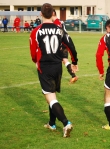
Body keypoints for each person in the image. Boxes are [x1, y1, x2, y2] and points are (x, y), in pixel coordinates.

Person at [29, 3, 78, 138]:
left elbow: (33, 53)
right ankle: (52, 123)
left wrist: (36, 62)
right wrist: (74, 62)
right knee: (53, 95)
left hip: (45, 67)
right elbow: (70, 45)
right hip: (57, 67)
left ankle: (66, 123)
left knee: (50, 98)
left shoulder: (36, 31)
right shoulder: (60, 29)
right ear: (53, 14)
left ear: (41, 14)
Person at [52, 9, 78, 83]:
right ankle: (73, 75)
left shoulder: (56, 23)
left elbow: (58, 34)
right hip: (65, 43)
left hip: (61, 44)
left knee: (56, 60)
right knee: (64, 60)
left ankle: (54, 77)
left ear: (53, 13)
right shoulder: (60, 21)